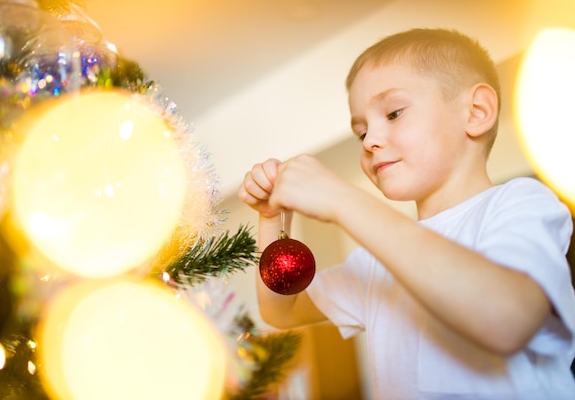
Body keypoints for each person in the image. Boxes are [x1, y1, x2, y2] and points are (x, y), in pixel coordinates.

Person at [238, 28, 575, 399]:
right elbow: (281, 312)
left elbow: (508, 319)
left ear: (476, 113)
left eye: (394, 113)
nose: (369, 141)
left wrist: (344, 201)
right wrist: (270, 220)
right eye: (361, 131)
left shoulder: (520, 202)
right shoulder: (373, 264)